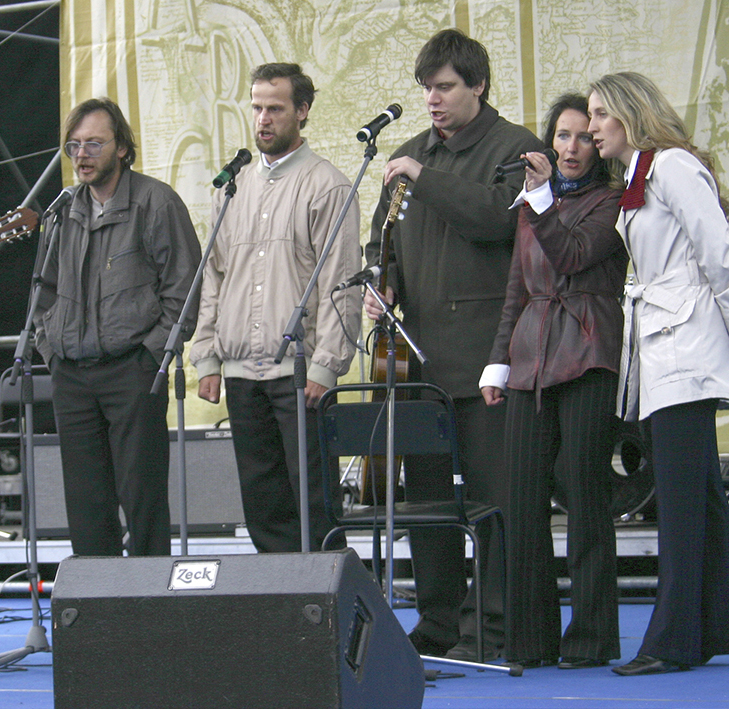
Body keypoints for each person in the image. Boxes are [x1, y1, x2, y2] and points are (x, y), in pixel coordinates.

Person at [362, 28, 542, 662]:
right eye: (426, 89)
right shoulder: (408, 153)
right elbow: (383, 241)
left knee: (495, 503)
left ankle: (493, 626)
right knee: (428, 505)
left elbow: (497, 217)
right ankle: (438, 623)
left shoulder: (515, 146)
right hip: (419, 360)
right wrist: (380, 280)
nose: (432, 100)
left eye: (444, 87)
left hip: (489, 357)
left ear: (479, 85)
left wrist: (424, 176)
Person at [586, 71, 729, 676]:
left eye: (601, 114)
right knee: (700, 495)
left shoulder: (673, 168)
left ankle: (672, 642)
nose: (592, 126)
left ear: (631, 114)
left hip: (686, 346)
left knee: (681, 501)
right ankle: (718, 628)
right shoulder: (643, 174)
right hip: (667, 346)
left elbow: (721, 255)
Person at [479, 93, 627, 669]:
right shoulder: (533, 203)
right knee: (522, 499)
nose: (571, 147)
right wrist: (498, 361)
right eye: (562, 135)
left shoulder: (611, 201)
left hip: (588, 352)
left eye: (584, 136)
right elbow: (517, 287)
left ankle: (592, 638)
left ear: (598, 146)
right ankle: (532, 638)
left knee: (585, 496)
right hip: (529, 357)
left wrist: (540, 201)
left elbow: (572, 256)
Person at [191, 63, 360, 553]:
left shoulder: (327, 184)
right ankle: (280, 598)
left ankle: (325, 595)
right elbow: (214, 277)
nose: (263, 119)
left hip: (300, 374)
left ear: (302, 111)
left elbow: (340, 284)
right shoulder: (233, 187)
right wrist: (207, 357)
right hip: (243, 374)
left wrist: (326, 367)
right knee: (263, 508)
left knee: (314, 506)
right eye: (257, 108)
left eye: (275, 108)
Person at [33, 97, 201, 557]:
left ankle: (149, 596)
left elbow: (185, 289)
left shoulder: (156, 202)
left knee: (142, 498)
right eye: (74, 145)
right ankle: (97, 596)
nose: (81, 155)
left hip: (132, 370)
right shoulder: (63, 210)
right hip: (72, 375)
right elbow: (43, 291)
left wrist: (152, 355)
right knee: (86, 504)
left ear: (122, 148)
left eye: (94, 143)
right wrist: (50, 349)